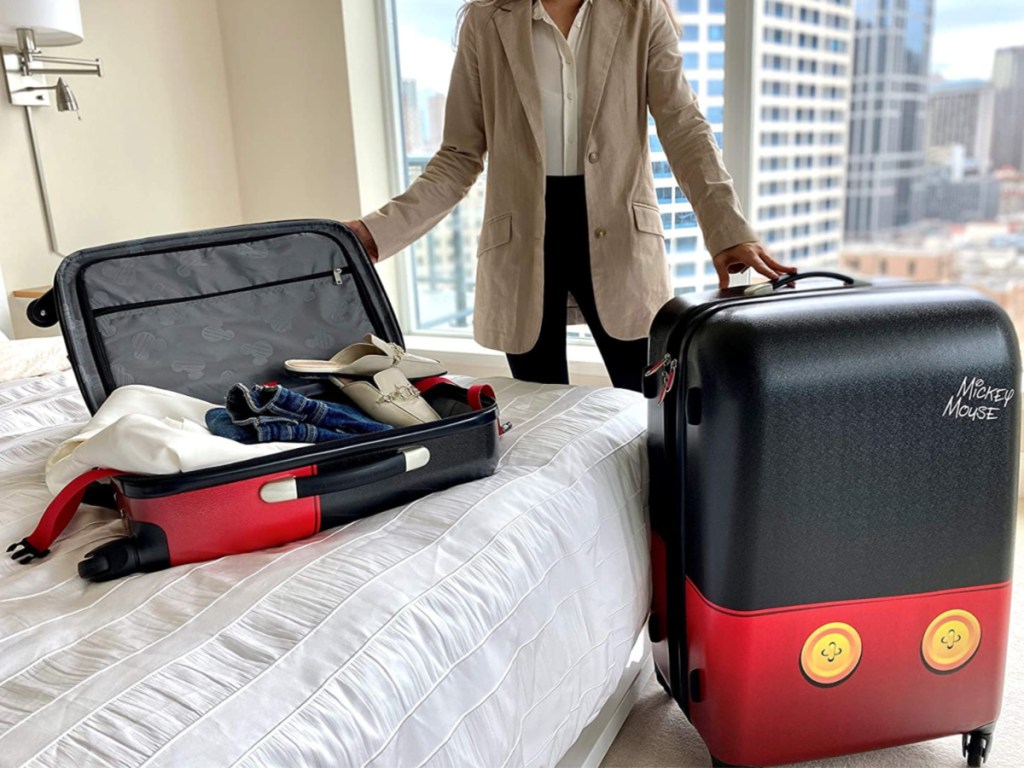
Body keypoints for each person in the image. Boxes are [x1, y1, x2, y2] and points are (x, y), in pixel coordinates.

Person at [345, 0, 796, 391]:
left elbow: (684, 128)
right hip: (523, 246)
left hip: (621, 238)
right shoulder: (486, 20)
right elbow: (459, 155)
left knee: (649, 407)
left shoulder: (641, 11)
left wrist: (727, 230)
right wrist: (375, 233)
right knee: (541, 411)